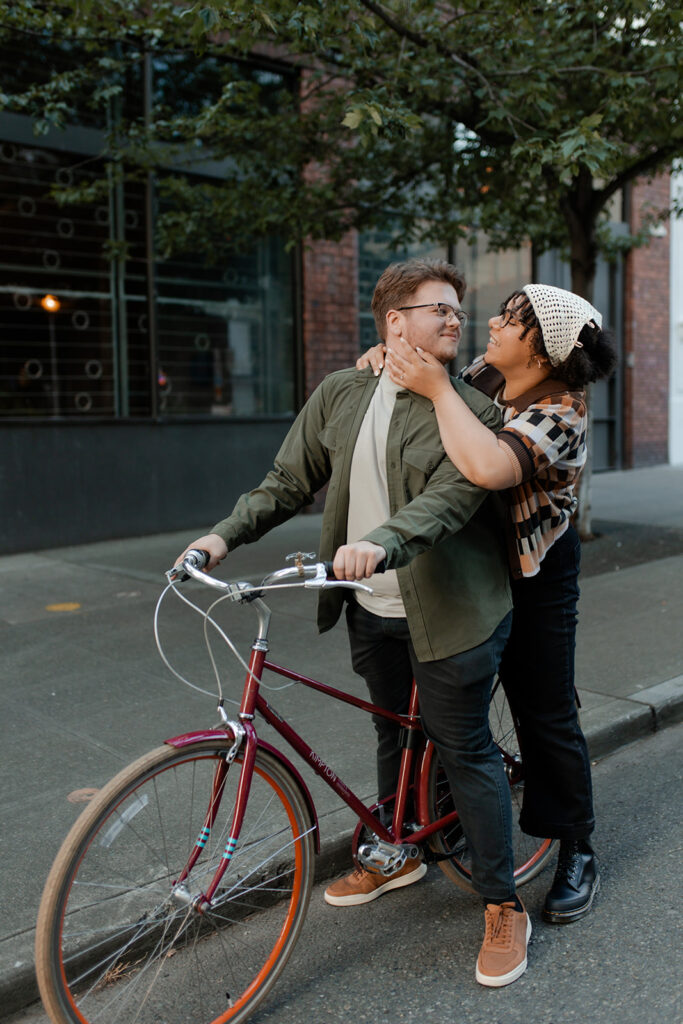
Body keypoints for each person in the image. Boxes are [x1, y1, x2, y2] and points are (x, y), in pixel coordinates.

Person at [175, 259, 534, 988]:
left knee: (462, 749)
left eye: (457, 310)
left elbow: (445, 502)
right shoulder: (342, 391)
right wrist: (218, 537)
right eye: (439, 308)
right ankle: (396, 848)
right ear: (393, 320)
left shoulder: (471, 409)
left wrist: (381, 543)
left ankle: (502, 902)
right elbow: (285, 482)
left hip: (454, 611)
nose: (455, 320)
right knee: (389, 730)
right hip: (371, 607)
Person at [359, 282, 616, 926]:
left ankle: (576, 845)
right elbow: (422, 377)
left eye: (513, 318)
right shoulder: (485, 374)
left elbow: (487, 467)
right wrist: (383, 357)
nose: (493, 322)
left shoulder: (563, 409)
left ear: (545, 348)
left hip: (535, 573)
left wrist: (438, 390)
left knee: (545, 710)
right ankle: (446, 821)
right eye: (502, 311)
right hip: (470, 560)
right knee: (450, 702)